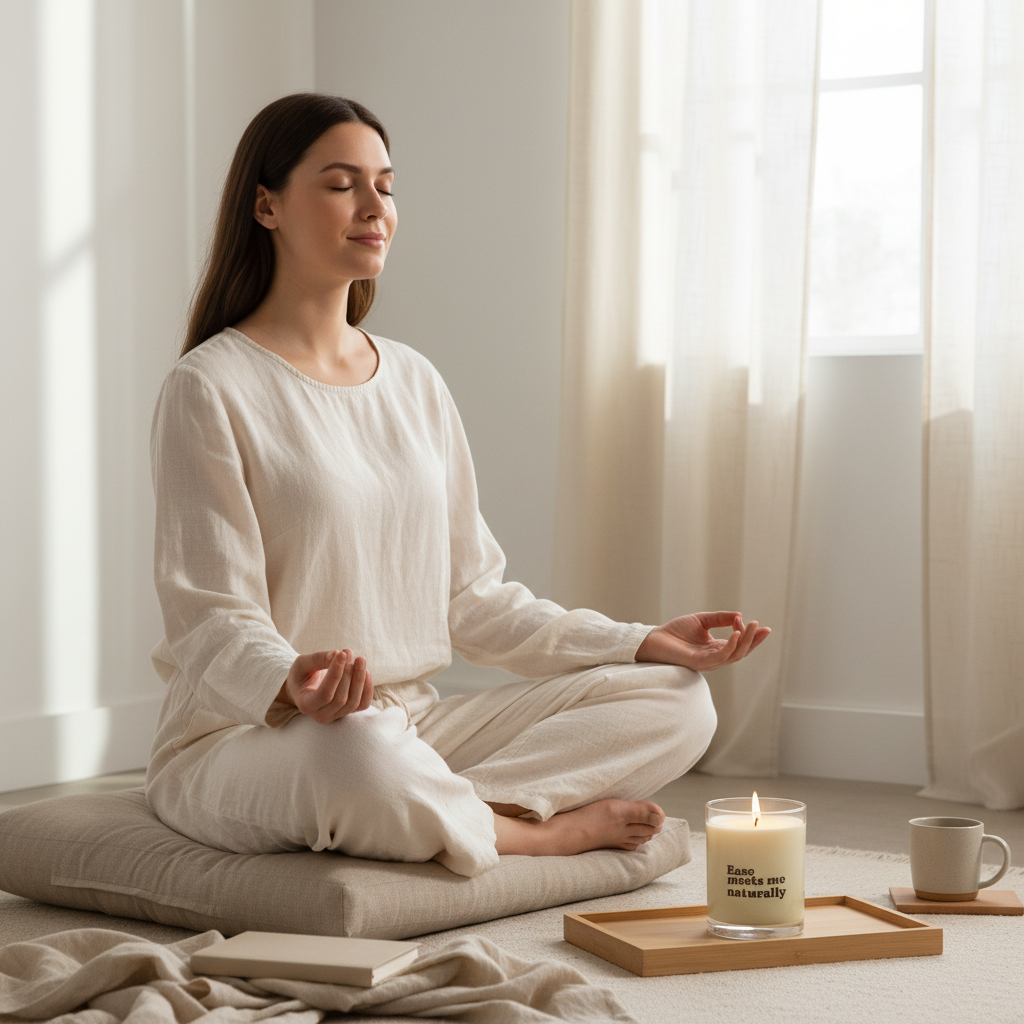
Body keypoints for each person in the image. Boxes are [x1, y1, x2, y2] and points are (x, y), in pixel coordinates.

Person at [145, 93, 771, 878]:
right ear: (266, 205)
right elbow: (209, 615)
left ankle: (441, 811)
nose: (376, 207)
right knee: (359, 751)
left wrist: (638, 642)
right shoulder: (210, 386)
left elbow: (475, 603)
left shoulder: (414, 379)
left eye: (387, 184)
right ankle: (534, 834)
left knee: (677, 698)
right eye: (342, 185)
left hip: (411, 730)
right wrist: (290, 684)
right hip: (254, 741)